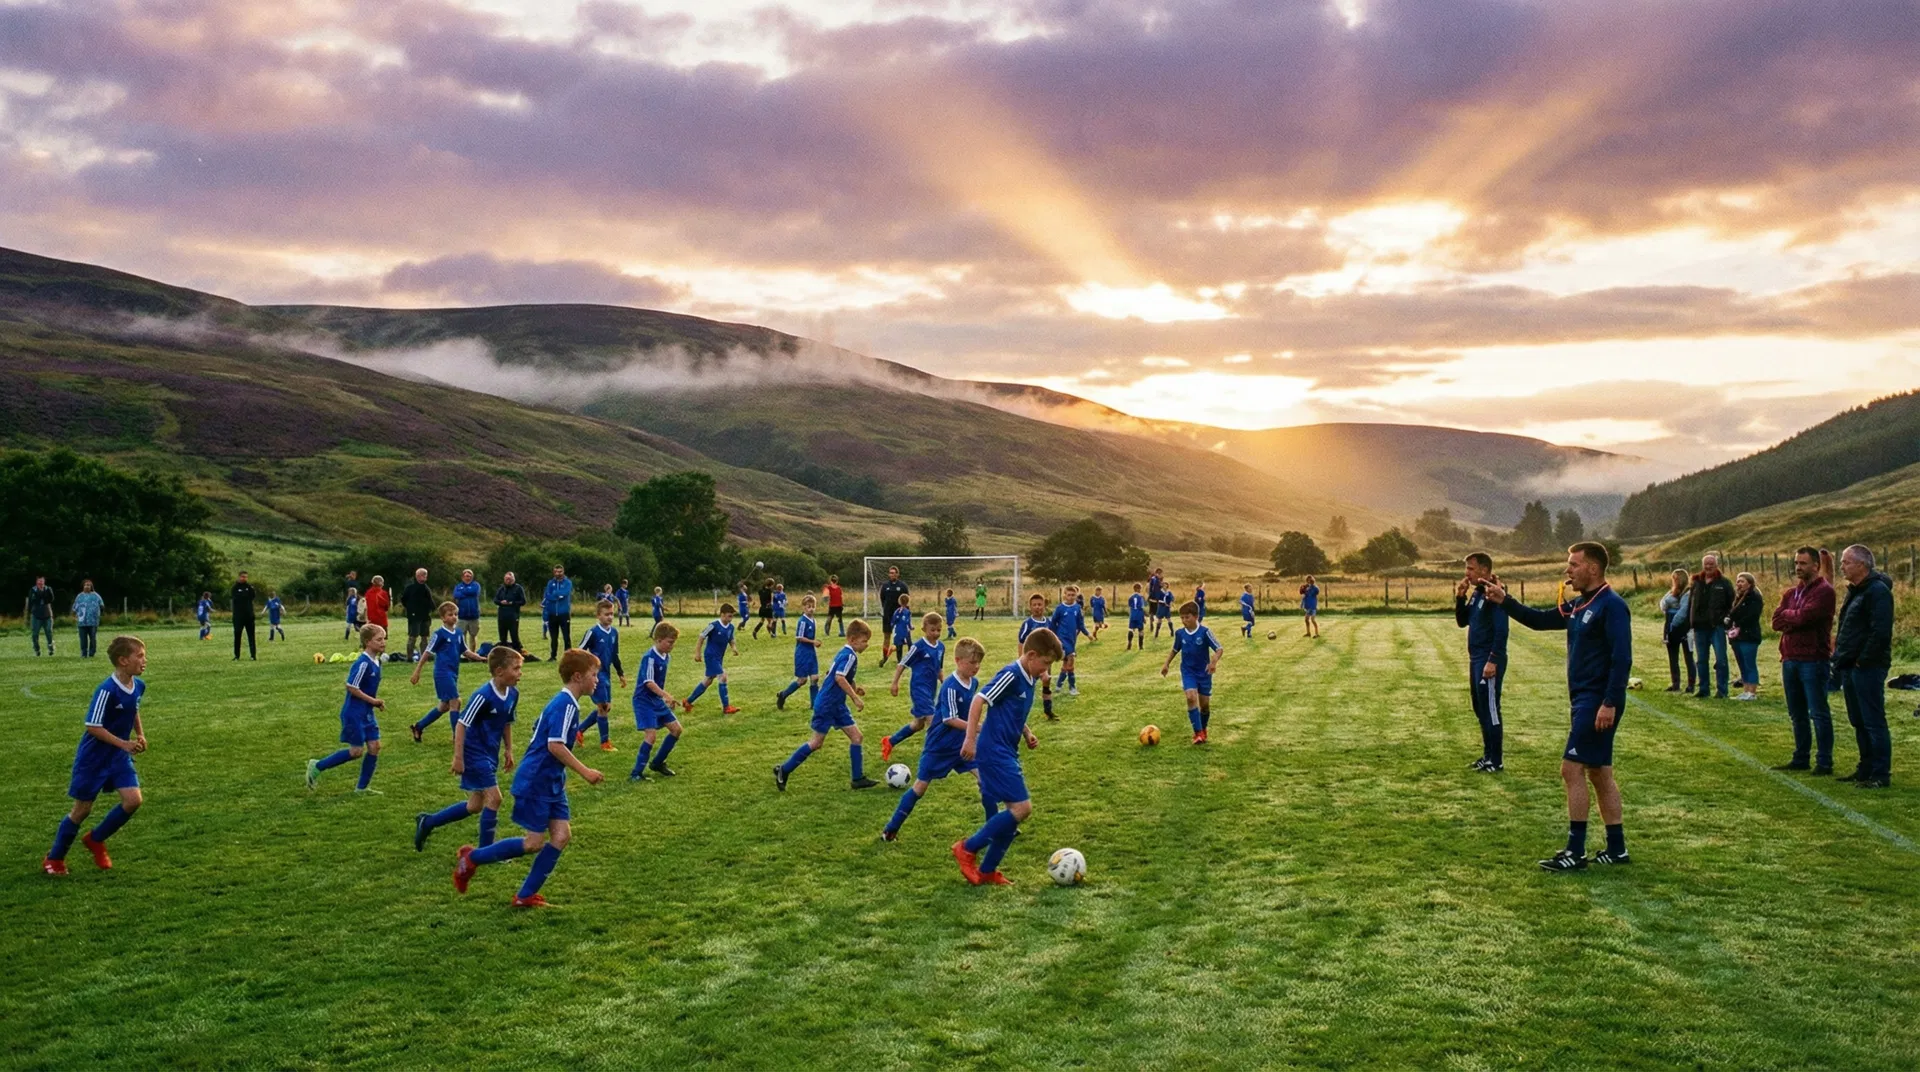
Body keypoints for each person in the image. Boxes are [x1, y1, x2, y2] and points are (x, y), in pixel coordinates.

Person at [1485, 542, 1633, 870]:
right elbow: (1538, 620)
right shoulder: (1579, 605)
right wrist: (1504, 600)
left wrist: (1609, 702)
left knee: (1571, 769)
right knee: (1599, 772)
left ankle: (1575, 851)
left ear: (1593, 568)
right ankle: (1617, 849)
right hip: (1583, 699)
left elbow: (1622, 659)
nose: (1568, 571)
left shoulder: (1611, 605)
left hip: (1597, 701)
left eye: (1574, 565)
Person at [453, 648, 606, 908]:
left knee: (561, 836)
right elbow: (554, 745)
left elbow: (539, 726)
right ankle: (472, 858)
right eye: (594, 675)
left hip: (550, 780)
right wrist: (585, 771)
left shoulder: (566, 703)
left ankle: (524, 897)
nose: (597, 680)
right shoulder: (565, 703)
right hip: (537, 781)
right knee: (533, 842)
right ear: (578, 676)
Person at [952, 627, 1061, 886]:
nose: (1046, 670)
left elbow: (1012, 710)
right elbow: (980, 700)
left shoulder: (1031, 677)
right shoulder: (1012, 674)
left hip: (1007, 749)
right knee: (1022, 808)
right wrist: (969, 739)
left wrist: (1026, 731)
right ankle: (967, 848)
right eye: (1045, 663)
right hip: (993, 750)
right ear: (1031, 655)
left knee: (1011, 818)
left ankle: (987, 870)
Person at [42, 635, 148, 875]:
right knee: (82, 810)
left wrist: (140, 735)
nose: (145, 661)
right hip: (94, 758)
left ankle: (95, 839)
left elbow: (133, 709)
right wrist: (124, 743)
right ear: (123, 660)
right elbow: (93, 725)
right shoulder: (106, 690)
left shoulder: (138, 685)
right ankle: (54, 858)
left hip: (118, 756)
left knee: (133, 801)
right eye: (139, 656)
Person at [413, 645, 520, 852]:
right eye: (515, 669)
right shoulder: (483, 695)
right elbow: (462, 724)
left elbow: (506, 722)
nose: (520, 673)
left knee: (475, 805)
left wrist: (508, 749)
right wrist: (458, 757)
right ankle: (485, 852)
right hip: (473, 753)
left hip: (490, 752)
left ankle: (428, 822)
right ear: (499, 671)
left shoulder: (513, 694)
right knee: (495, 798)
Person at [882, 636, 987, 842]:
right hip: (939, 746)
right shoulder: (950, 685)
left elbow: (971, 713)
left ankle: (995, 827)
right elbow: (949, 719)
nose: (976, 667)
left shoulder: (973, 683)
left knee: (985, 778)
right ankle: (891, 828)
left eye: (978, 663)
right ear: (958, 661)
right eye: (971, 662)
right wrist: (976, 729)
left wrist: (973, 733)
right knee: (920, 788)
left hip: (962, 744)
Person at [773, 619, 881, 791]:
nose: (866, 645)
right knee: (816, 743)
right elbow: (839, 678)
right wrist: (854, 698)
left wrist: (855, 688)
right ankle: (784, 770)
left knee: (857, 737)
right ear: (852, 640)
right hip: (827, 705)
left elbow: (843, 676)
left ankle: (857, 778)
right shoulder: (849, 655)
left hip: (837, 705)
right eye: (864, 641)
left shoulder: (846, 653)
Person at [1833, 545, 1894, 789]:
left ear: (1862, 565)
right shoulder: (1855, 591)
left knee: (1873, 720)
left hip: (1867, 666)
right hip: (1850, 664)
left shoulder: (1877, 592)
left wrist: (1862, 660)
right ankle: (1865, 767)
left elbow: (1880, 632)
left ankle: (1880, 773)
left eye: (1846, 562)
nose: (1842, 566)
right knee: (1858, 719)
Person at [1771, 546, 1835, 775]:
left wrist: (1790, 616)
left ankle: (1824, 761)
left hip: (1813, 659)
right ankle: (1801, 757)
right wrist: (1793, 617)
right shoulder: (1791, 593)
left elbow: (1808, 616)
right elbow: (1775, 621)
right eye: (1796, 563)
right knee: (1796, 713)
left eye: (1803, 563)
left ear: (1816, 566)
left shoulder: (1824, 592)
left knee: (1818, 712)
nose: (1798, 567)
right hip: (1790, 657)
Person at [305, 624, 389, 794]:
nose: (383, 642)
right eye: (379, 639)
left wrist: (372, 704)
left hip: (367, 712)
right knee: (356, 751)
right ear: (367, 642)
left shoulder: (377, 661)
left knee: (375, 746)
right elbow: (351, 686)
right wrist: (373, 701)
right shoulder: (363, 663)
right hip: (354, 713)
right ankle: (317, 765)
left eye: (384, 638)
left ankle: (362, 788)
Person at [1454, 553, 1508, 773]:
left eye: (1471, 569)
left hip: (1488, 659)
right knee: (1480, 708)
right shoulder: (1477, 592)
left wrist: (1492, 660)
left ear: (1485, 570)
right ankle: (1487, 757)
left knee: (1491, 709)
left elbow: (1502, 630)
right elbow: (1462, 621)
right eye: (1467, 569)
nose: (1467, 573)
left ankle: (1496, 760)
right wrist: (1460, 596)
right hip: (1475, 659)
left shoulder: (1494, 593)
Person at [410, 602, 487, 741]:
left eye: (456, 614)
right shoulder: (439, 634)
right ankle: (457, 737)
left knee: (444, 706)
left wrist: (481, 658)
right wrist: (417, 671)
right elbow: (427, 652)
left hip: (453, 673)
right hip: (442, 673)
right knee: (455, 701)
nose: (454, 617)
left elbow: (466, 651)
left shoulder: (458, 633)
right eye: (450, 615)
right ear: (443, 618)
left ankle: (419, 726)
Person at [881, 612, 947, 763]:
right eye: (933, 630)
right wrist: (894, 683)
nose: (936, 633)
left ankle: (890, 741)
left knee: (918, 725)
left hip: (931, 689)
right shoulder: (918, 647)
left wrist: (945, 684)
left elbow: (939, 669)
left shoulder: (941, 647)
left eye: (939, 630)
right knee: (933, 719)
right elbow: (901, 664)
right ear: (924, 629)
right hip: (919, 689)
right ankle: (933, 754)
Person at [629, 622, 685, 781]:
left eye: (673, 642)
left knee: (676, 730)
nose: (672, 646)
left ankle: (658, 763)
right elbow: (648, 682)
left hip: (656, 700)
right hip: (643, 701)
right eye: (669, 642)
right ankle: (636, 773)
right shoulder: (649, 658)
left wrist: (663, 697)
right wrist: (665, 695)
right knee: (651, 736)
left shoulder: (666, 656)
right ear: (658, 640)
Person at [1162, 600, 1223, 745]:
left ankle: (1203, 729)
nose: (1184, 621)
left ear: (1196, 616)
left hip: (1204, 673)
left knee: (1205, 705)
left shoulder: (1205, 632)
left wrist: (1213, 662)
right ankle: (1198, 733)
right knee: (1190, 697)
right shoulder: (1180, 634)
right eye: (1182, 618)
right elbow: (1175, 649)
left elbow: (1219, 649)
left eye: (1187, 617)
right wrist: (1166, 664)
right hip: (1188, 671)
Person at [576, 600, 625, 752]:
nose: (610, 617)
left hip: (607, 673)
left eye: (612, 614)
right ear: (598, 616)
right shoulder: (593, 632)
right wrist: (584, 669)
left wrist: (620, 673)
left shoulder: (614, 632)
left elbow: (615, 655)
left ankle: (579, 730)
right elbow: (579, 651)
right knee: (603, 706)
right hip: (596, 674)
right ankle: (605, 743)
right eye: (606, 614)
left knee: (605, 708)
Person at [1689, 552, 1735, 699]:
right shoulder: (1696, 583)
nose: (1708, 566)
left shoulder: (1724, 583)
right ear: (1703, 566)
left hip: (1717, 627)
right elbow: (1690, 604)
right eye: (1706, 564)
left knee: (1721, 659)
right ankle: (1703, 689)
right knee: (1701, 660)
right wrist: (1689, 622)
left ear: (1716, 565)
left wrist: (1725, 619)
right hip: (1699, 628)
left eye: (1711, 564)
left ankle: (1722, 691)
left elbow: (1732, 604)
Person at [683, 604, 740, 714]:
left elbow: (731, 639)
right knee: (723, 676)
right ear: (722, 615)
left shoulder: (731, 627)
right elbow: (701, 637)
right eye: (729, 616)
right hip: (710, 656)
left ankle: (688, 701)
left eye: (732, 616)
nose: (730, 619)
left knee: (708, 681)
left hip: (719, 657)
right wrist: (697, 653)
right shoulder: (713, 625)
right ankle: (726, 707)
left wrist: (734, 648)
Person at [776, 594, 822, 710]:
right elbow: (799, 637)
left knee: (815, 678)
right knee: (802, 680)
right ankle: (783, 695)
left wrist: (814, 643)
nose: (811, 608)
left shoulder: (813, 620)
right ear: (804, 608)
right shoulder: (802, 621)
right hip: (802, 653)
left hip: (811, 652)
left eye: (813, 606)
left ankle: (814, 705)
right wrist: (813, 642)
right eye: (808, 606)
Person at [1018, 593, 1057, 720]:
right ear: (1030, 607)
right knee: (1029, 685)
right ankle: (1022, 711)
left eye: (1039, 604)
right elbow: (1021, 642)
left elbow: (1053, 641)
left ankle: (1048, 711)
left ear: (1044, 606)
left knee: (1047, 681)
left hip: (1046, 661)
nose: (1037, 607)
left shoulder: (1049, 623)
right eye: (1034, 605)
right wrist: (1022, 659)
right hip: (1032, 662)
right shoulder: (1028, 624)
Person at [1727, 572, 1765, 701]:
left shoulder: (1754, 597)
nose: (1739, 584)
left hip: (1749, 635)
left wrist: (1737, 624)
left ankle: (1752, 691)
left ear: (1750, 583)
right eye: (1738, 581)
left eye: (1742, 581)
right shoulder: (1737, 597)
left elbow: (1752, 616)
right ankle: (1745, 690)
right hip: (1737, 636)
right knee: (1742, 663)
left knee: (1749, 663)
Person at [1658, 569, 1695, 693]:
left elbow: (1683, 612)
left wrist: (1673, 626)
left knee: (1688, 656)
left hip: (1683, 627)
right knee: (1673, 656)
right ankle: (1675, 683)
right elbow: (1662, 604)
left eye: (1675, 578)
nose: (1674, 581)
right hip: (1672, 625)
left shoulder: (1688, 593)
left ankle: (1691, 684)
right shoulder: (1672, 592)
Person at [1049, 587, 1090, 696]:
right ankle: (1072, 687)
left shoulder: (1077, 608)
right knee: (1070, 660)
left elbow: (1080, 624)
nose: (1071, 597)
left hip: (1072, 640)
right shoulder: (1060, 609)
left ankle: (1058, 685)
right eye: (1069, 595)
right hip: (1062, 639)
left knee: (1066, 663)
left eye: (1073, 595)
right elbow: (1053, 623)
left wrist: (1088, 634)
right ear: (1064, 595)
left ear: (1076, 596)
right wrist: (1052, 638)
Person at [401, 568, 435, 662]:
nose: (425, 577)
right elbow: (404, 600)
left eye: (425, 575)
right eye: (423, 575)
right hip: (414, 616)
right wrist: (411, 609)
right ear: (417, 576)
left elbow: (430, 601)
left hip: (425, 616)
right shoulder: (410, 588)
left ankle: (424, 656)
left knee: (424, 637)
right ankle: (409, 657)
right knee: (413, 636)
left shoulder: (426, 588)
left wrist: (432, 609)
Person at [542, 565, 573, 661]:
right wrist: (556, 596)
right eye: (556, 572)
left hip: (563, 613)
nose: (558, 574)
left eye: (560, 572)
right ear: (553, 572)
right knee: (553, 636)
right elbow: (547, 595)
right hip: (552, 614)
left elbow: (564, 593)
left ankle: (568, 656)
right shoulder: (550, 583)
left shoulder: (568, 582)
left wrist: (555, 594)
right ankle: (553, 656)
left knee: (566, 636)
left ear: (563, 572)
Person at [230, 570, 259, 661]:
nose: (244, 578)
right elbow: (237, 598)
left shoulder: (249, 587)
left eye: (246, 577)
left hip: (249, 616)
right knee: (237, 635)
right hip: (238, 617)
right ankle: (237, 655)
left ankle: (253, 655)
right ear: (239, 577)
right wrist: (244, 595)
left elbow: (252, 596)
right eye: (243, 577)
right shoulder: (235, 588)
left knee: (251, 636)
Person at [494, 572, 527, 650]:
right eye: (506, 579)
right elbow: (495, 599)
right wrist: (500, 602)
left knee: (514, 635)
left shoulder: (518, 588)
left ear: (513, 579)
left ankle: (518, 651)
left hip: (513, 615)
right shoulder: (501, 588)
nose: (507, 581)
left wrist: (512, 603)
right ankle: (504, 652)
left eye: (509, 579)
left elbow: (523, 601)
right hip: (502, 615)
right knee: (502, 636)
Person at [71, 579, 103, 658]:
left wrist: (98, 613)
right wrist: (75, 616)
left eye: (89, 585)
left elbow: (102, 605)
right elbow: (75, 607)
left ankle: (92, 653)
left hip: (93, 621)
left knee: (92, 638)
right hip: (82, 621)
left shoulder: (96, 595)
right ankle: (84, 653)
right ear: (83, 586)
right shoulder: (79, 596)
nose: (87, 586)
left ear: (91, 587)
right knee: (83, 639)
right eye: (85, 585)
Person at [452, 569, 483, 649]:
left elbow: (474, 592)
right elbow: (456, 595)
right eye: (466, 576)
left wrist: (463, 592)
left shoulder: (476, 585)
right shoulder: (458, 586)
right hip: (462, 616)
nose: (468, 578)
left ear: (472, 577)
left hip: (474, 616)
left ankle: (472, 653)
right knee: (461, 636)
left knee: (473, 635)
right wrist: (468, 593)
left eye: (469, 576)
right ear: (462, 577)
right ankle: (464, 653)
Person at [882, 592, 914, 668]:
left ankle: (900, 661)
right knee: (910, 645)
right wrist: (911, 627)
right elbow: (908, 622)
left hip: (898, 631)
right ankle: (908, 660)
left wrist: (892, 627)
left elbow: (893, 621)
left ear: (899, 602)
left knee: (899, 647)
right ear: (908, 602)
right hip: (905, 631)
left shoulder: (897, 611)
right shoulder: (908, 612)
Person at [27, 575, 57, 656]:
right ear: (36, 582)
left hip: (47, 614)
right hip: (36, 615)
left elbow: (51, 599)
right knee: (35, 634)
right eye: (39, 581)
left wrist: (42, 597)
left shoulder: (48, 589)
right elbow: (32, 601)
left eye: (42, 581)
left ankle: (51, 647)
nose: (40, 582)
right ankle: (37, 649)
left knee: (49, 631)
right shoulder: (33, 590)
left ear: (44, 581)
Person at [879, 566, 909, 642]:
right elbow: (882, 598)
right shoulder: (885, 586)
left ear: (897, 574)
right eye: (890, 573)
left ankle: (900, 653)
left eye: (893, 573)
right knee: (886, 637)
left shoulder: (903, 586)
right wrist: (886, 609)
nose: (892, 575)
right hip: (887, 615)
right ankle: (885, 654)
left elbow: (906, 599)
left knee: (900, 638)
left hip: (899, 615)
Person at [1126, 583, 1147, 650]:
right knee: (1141, 631)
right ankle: (1140, 646)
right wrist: (1144, 617)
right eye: (1140, 588)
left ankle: (1129, 642)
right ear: (1138, 589)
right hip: (1139, 615)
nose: (1140, 590)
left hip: (1132, 615)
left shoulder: (1131, 597)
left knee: (1131, 629)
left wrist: (1131, 614)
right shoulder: (1140, 597)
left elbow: (1130, 606)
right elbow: (1141, 608)